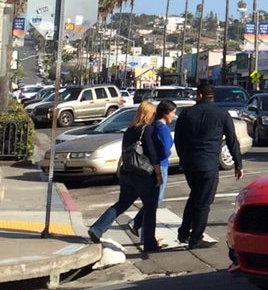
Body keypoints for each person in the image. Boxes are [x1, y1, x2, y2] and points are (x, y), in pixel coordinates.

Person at [87, 100, 166, 257]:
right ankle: (149, 243)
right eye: (154, 113)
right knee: (150, 208)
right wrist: (158, 173)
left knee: (122, 203)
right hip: (143, 174)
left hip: (127, 172)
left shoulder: (130, 130)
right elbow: (151, 153)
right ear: (150, 114)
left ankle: (97, 228)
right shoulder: (147, 130)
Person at [173, 82, 243, 249]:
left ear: (199, 95)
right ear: (212, 97)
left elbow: (178, 139)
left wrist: (183, 158)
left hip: (190, 163)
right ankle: (195, 238)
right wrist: (238, 163)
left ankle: (184, 232)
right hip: (208, 163)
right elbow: (232, 140)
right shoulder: (222, 114)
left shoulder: (187, 113)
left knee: (196, 195)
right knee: (203, 202)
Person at [128, 99, 176, 243]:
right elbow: (166, 150)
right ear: (166, 114)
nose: (174, 116)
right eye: (173, 113)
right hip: (161, 165)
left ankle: (142, 229)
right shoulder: (163, 129)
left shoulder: (153, 125)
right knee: (155, 200)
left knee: (153, 200)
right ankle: (140, 228)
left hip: (152, 165)